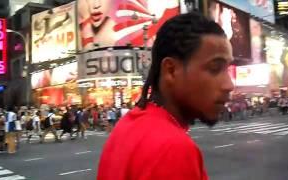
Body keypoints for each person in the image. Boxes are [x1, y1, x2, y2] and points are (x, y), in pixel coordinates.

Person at [97, 12, 234, 180]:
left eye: (226, 69)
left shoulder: (128, 124)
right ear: (171, 70)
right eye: (214, 68)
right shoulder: (173, 148)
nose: (229, 85)